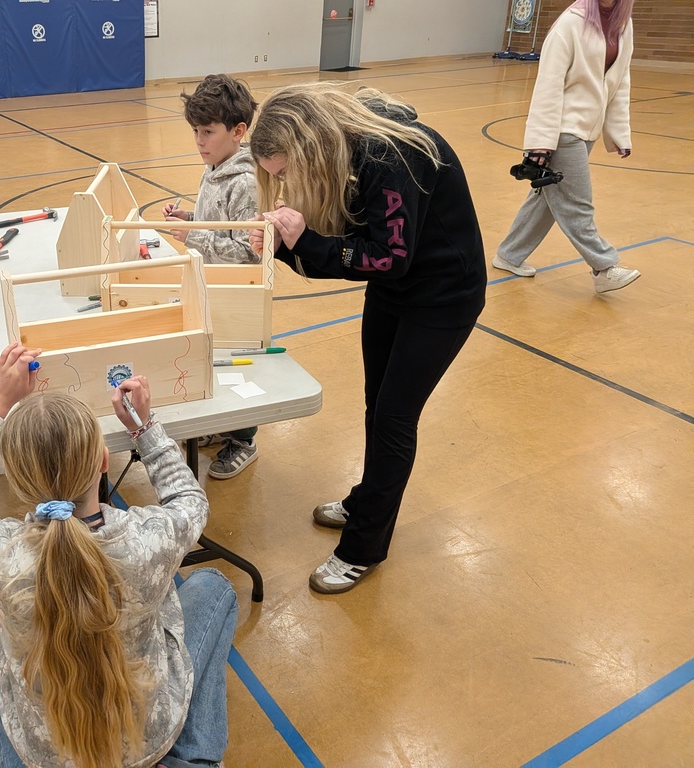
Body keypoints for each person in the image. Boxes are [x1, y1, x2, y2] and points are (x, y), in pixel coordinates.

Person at [0, 343, 238, 768]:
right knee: (214, 586)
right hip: (147, 735)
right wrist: (145, 428)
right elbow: (189, 500)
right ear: (102, 460)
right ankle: (190, 757)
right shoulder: (147, 540)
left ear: (16, 480)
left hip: (47, 748)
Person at [248, 83, 486, 595]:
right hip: (395, 291)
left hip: (442, 297)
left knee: (396, 417)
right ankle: (367, 499)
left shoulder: (390, 155)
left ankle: (363, 546)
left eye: (286, 171)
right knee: (376, 405)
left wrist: (303, 241)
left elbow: (387, 255)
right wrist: (287, 249)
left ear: (309, 147)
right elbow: (360, 248)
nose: (285, 182)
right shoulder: (342, 150)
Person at [493, 0, 639, 294]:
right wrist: (541, 143)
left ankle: (509, 255)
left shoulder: (624, 24)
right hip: (563, 130)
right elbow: (548, 85)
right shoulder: (569, 24)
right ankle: (603, 268)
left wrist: (620, 132)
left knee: (549, 198)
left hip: (588, 130)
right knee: (576, 202)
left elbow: (620, 80)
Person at [162, 73, 261, 480]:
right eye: (195, 132)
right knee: (209, 358)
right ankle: (222, 425)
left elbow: (249, 251)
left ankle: (243, 438)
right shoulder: (216, 167)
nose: (199, 141)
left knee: (234, 363)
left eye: (208, 131)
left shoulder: (246, 182)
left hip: (237, 293)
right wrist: (191, 217)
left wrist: (195, 234)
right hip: (210, 285)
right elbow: (215, 225)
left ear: (238, 131)